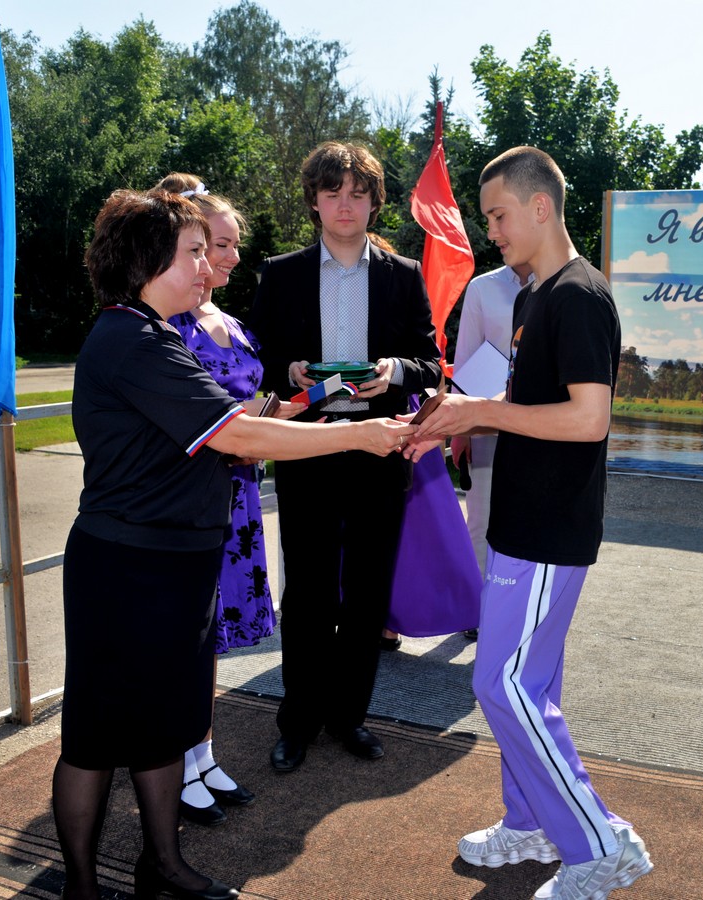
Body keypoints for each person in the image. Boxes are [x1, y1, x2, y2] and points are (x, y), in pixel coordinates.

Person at [54, 188, 412, 900]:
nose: (208, 267)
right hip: (126, 570)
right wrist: (361, 434)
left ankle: (163, 864)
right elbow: (239, 436)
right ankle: (82, 888)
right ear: (147, 259)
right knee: (96, 738)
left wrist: (306, 408)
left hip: (176, 563)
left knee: (166, 725)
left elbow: (237, 424)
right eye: (193, 253)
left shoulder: (156, 335)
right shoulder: (130, 340)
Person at [405, 147, 653, 900]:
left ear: (541, 207)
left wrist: (482, 410)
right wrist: (459, 415)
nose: (492, 231)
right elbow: (526, 406)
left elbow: (588, 419)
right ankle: (531, 822)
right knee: (528, 687)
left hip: (549, 529)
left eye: (499, 215)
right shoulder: (530, 297)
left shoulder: (579, 296)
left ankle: (598, 843)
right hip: (518, 522)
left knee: (501, 684)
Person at [248, 141, 442, 771]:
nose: (345, 205)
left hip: (377, 450)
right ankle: (298, 721)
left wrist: (395, 371)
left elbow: (431, 364)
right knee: (307, 593)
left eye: (358, 194)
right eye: (333, 193)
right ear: (314, 200)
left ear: (375, 203)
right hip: (306, 449)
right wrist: (290, 371)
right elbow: (257, 363)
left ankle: (349, 717)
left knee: (366, 593)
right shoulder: (281, 273)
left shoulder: (402, 275)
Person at [152, 173, 277, 826]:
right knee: (184, 639)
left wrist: (286, 408)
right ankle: (174, 760)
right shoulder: (165, 325)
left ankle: (200, 754)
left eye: (231, 245)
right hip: (193, 498)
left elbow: (249, 406)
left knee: (208, 642)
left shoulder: (230, 323)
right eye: (215, 245)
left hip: (240, 499)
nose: (227, 257)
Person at [450, 262, 533, 640]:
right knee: (481, 519)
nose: (497, 235)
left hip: (540, 425)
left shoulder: (558, 282)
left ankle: (519, 610)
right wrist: (460, 428)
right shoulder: (482, 287)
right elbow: (466, 356)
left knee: (529, 520)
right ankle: (478, 609)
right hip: (485, 423)